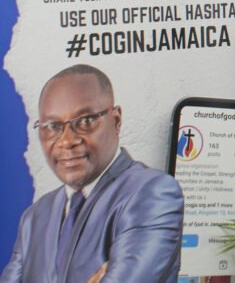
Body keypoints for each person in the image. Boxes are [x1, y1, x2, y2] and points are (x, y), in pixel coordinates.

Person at [2, 64, 183, 283]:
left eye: (86, 121)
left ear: (116, 120)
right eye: (52, 126)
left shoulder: (153, 193)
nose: (67, 141)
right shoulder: (34, 217)